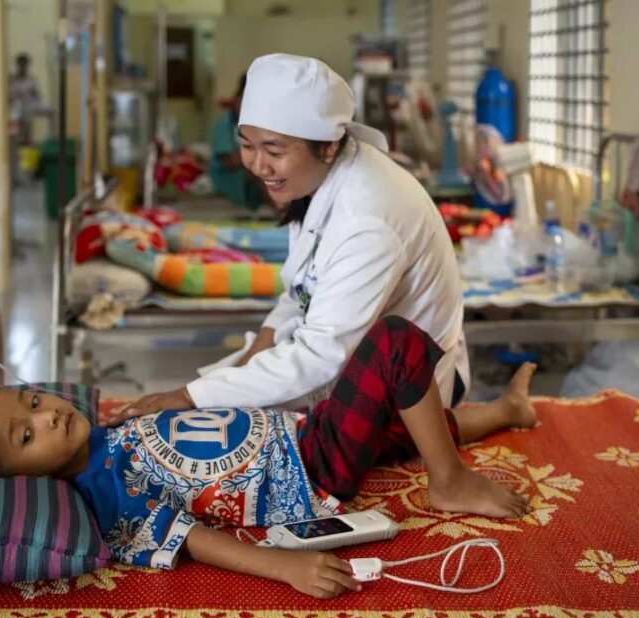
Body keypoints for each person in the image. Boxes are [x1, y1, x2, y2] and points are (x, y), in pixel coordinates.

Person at [0, 317, 535, 599]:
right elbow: (191, 536)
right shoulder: (106, 495)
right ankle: (449, 482)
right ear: (21, 482)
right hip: (311, 471)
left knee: (405, 426)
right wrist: (285, 566)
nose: (46, 414)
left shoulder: (104, 432)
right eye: (27, 436)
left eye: (35, 399)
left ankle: (507, 412)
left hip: (301, 434)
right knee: (394, 342)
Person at [109, 54, 469, 426]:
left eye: (274, 150)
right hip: (350, 354)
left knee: (252, 435)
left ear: (328, 146)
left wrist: (191, 396)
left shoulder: (367, 220)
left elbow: (320, 355)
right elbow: (300, 292)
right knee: (223, 399)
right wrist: (248, 359)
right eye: (247, 145)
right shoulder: (317, 179)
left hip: (419, 395)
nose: (258, 165)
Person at [208, 74, 262, 210]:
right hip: (228, 177)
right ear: (236, 99)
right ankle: (280, 210)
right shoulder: (224, 124)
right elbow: (227, 162)